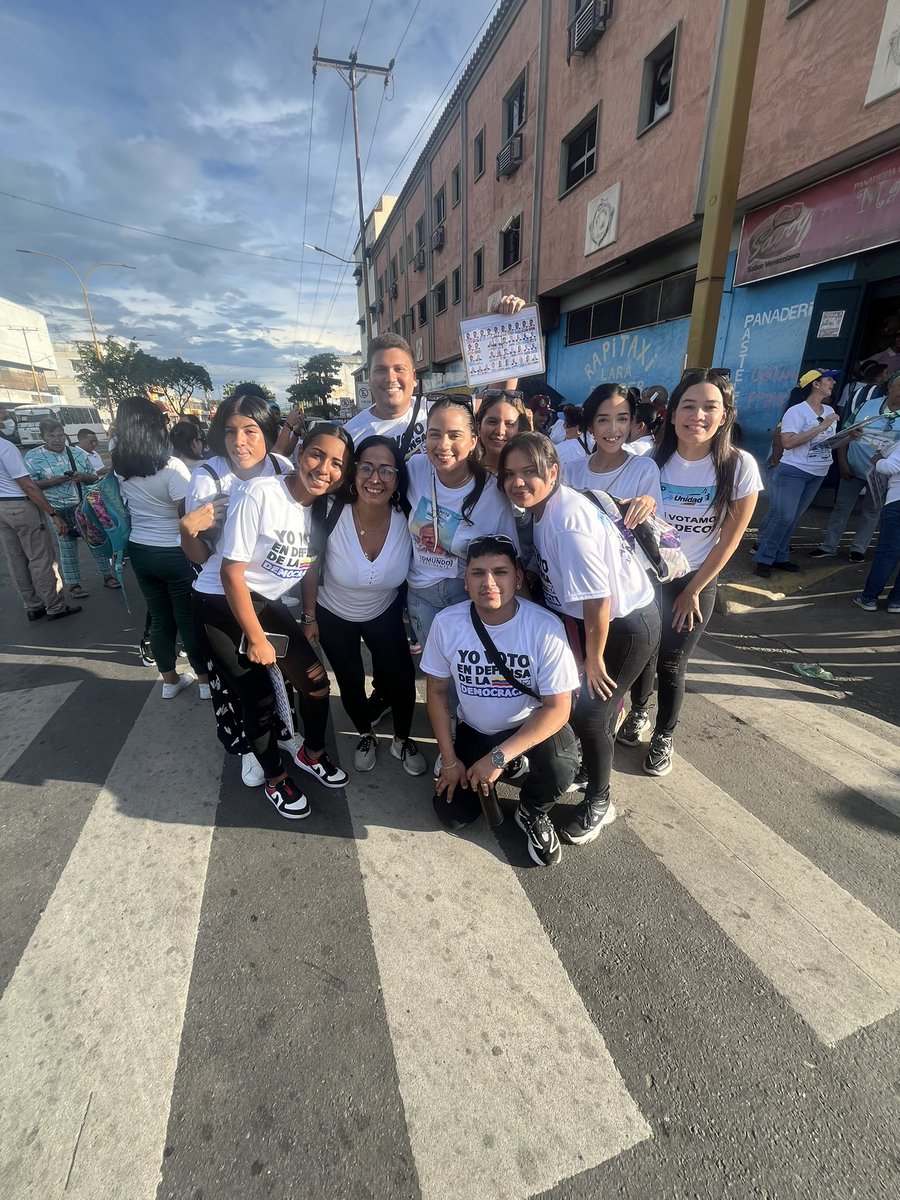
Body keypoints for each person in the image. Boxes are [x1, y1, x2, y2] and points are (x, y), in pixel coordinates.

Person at [499, 433, 661, 845]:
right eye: (510, 474)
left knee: (591, 715)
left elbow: (598, 599)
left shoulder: (565, 519)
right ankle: (592, 768)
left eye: (530, 472)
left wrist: (593, 659)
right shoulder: (543, 508)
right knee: (590, 715)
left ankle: (600, 800)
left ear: (553, 472)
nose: (519, 482)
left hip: (622, 626)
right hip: (595, 625)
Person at [617, 370, 763, 775]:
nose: (697, 415)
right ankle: (639, 712)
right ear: (673, 412)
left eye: (709, 407)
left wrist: (694, 589)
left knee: (671, 663)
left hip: (696, 580)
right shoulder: (649, 458)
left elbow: (729, 539)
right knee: (644, 654)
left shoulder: (738, 466)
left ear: (724, 415)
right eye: (689, 405)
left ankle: (664, 734)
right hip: (647, 579)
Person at [217, 424, 353, 818]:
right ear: (298, 452)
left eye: (336, 463)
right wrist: (257, 638)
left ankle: (312, 754)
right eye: (316, 455)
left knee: (314, 684)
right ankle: (275, 779)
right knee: (257, 699)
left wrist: (309, 615)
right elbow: (230, 574)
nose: (323, 468)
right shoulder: (259, 493)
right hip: (222, 604)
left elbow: (310, 564)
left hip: (266, 604)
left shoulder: (322, 506)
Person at [422, 535, 580, 867]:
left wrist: (497, 757)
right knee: (451, 815)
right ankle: (501, 762)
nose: (488, 582)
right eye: (477, 573)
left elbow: (558, 707)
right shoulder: (447, 622)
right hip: (475, 727)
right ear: (465, 581)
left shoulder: (544, 626)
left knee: (561, 762)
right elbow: (435, 691)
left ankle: (532, 811)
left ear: (518, 578)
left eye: (500, 572)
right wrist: (449, 760)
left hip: (527, 724)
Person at [180, 391, 296, 788]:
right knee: (241, 686)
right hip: (217, 598)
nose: (239, 442)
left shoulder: (281, 467)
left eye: (250, 430)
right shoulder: (208, 478)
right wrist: (186, 529)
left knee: (276, 675)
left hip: (266, 595)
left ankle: (279, 736)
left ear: (267, 431)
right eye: (230, 431)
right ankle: (251, 752)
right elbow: (198, 556)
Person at [312, 435, 426, 776]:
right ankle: (365, 733)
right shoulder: (330, 511)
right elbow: (309, 566)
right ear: (353, 471)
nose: (375, 479)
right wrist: (307, 617)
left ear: (397, 479)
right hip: (333, 613)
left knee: (402, 679)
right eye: (366, 468)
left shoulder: (409, 514)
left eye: (386, 471)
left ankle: (401, 739)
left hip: (384, 610)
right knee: (348, 680)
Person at [345, 296, 526, 458]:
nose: (390, 377)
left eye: (399, 369)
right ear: (369, 379)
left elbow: (499, 398)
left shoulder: (437, 407)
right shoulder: (350, 435)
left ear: (414, 377)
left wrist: (503, 326)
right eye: (380, 370)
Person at [113, 395, 210, 699]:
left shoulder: (120, 464)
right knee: (187, 617)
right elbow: (187, 515)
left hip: (140, 549)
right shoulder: (171, 467)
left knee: (159, 616)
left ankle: (170, 681)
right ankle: (206, 683)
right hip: (173, 550)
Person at [406, 396, 519, 650]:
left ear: (473, 441)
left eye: (454, 435)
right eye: (434, 434)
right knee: (438, 674)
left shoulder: (493, 493)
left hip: (468, 595)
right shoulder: (414, 469)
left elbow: (510, 558)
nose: (443, 445)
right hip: (421, 596)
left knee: (470, 677)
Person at [809, 369, 900, 563]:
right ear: (890, 387)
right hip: (853, 466)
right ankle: (828, 546)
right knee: (841, 507)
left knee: (872, 510)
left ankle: (858, 549)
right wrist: (842, 462)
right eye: (899, 385)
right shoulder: (867, 405)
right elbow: (846, 432)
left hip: (882, 474)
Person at [755, 369, 838, 576]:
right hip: (793, 471)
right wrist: (822, 427)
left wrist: (849, 436)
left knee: (793, 517)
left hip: (818, 471)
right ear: (815, 384)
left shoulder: (829, 411)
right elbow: (788, 442)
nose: (833, 382)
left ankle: (780, 557)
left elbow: (828, 444)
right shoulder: (796, 411)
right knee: (783, 516)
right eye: (829, 379)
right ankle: (764, 558)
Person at [25, 419, 119, 597]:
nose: (57, 440)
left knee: (96, 541)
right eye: (51, 436)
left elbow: (94, 478)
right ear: (42, 436)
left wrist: (83, 476)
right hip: (57, 510)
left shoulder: (77, 454)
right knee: (67, 547)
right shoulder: (32, 457)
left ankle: (108, 576)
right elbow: (29, 484)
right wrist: (50, 482)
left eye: (60, 435)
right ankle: (74, 585)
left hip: (84, 507)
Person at [0, 431, 77, 621]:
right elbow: (27, 485)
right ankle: (55, 605)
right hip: (20, 505)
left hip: (1, 507)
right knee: (41, 557)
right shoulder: (6, 447)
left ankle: (33, 605)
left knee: (16, 559)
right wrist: (53, 513)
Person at [562, 383, 663, 506]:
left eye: (622, 419)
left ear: (631, 422)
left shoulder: (645, 469)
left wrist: (648, 506)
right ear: (590, 425)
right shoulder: (571, 471)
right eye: (603, 420)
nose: (613, 429)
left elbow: (655, 522)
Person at [852, 439, 900, 614]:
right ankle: (896, 601)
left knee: (887, 554)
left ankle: (869, 597)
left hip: (897, 503)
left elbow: (890, 467)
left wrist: (877, 460)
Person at [474, 388, 531, 475]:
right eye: (492, 422)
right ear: (479, 428)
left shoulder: (532, 474)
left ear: (519, 429)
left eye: (509, 424)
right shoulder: (463, 474)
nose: (500, 431)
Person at [555, 406, 591, 473]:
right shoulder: (594, 444)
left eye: (568, 424)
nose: (564, 427)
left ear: (578, 427)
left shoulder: (562, 449)